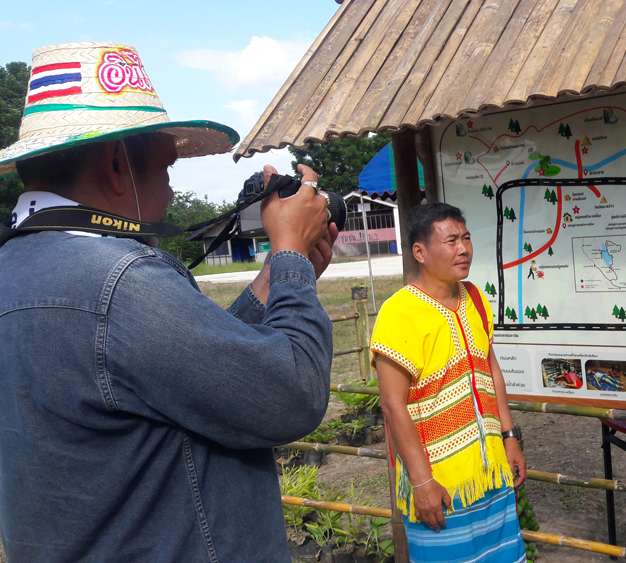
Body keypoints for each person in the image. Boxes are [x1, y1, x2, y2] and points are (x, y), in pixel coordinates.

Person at [0, 42, 338, 562]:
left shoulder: (17, 267)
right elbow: (291, 396)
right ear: (117, 165)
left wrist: (272, 285)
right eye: (166, 168)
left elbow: (173, 375)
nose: (173, 191)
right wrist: (291, 255)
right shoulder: (120, 281)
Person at [371, 203, 528, 563]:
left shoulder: (474, 298)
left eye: (466, 238)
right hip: (440, 484)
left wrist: (510, 437)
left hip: (489, 475)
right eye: (452, 240)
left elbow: (492, 372)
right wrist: (422, 483)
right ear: (420, 252)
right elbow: (393, 405)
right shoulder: (399, 313)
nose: (463, 249)